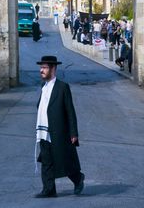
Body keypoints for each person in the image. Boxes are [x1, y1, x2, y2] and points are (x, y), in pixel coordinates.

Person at [35, 55, 84, 198]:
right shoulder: (43, 87)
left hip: (58, 131)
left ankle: (78, 178)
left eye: (44, 68)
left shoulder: (62, 87)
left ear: (53, 69)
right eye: (41, 67)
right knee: (46, 161)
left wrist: (73, 133)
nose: (41, 71)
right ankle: (49, 189)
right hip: (43, 132)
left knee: (64, 160)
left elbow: (70, 111)